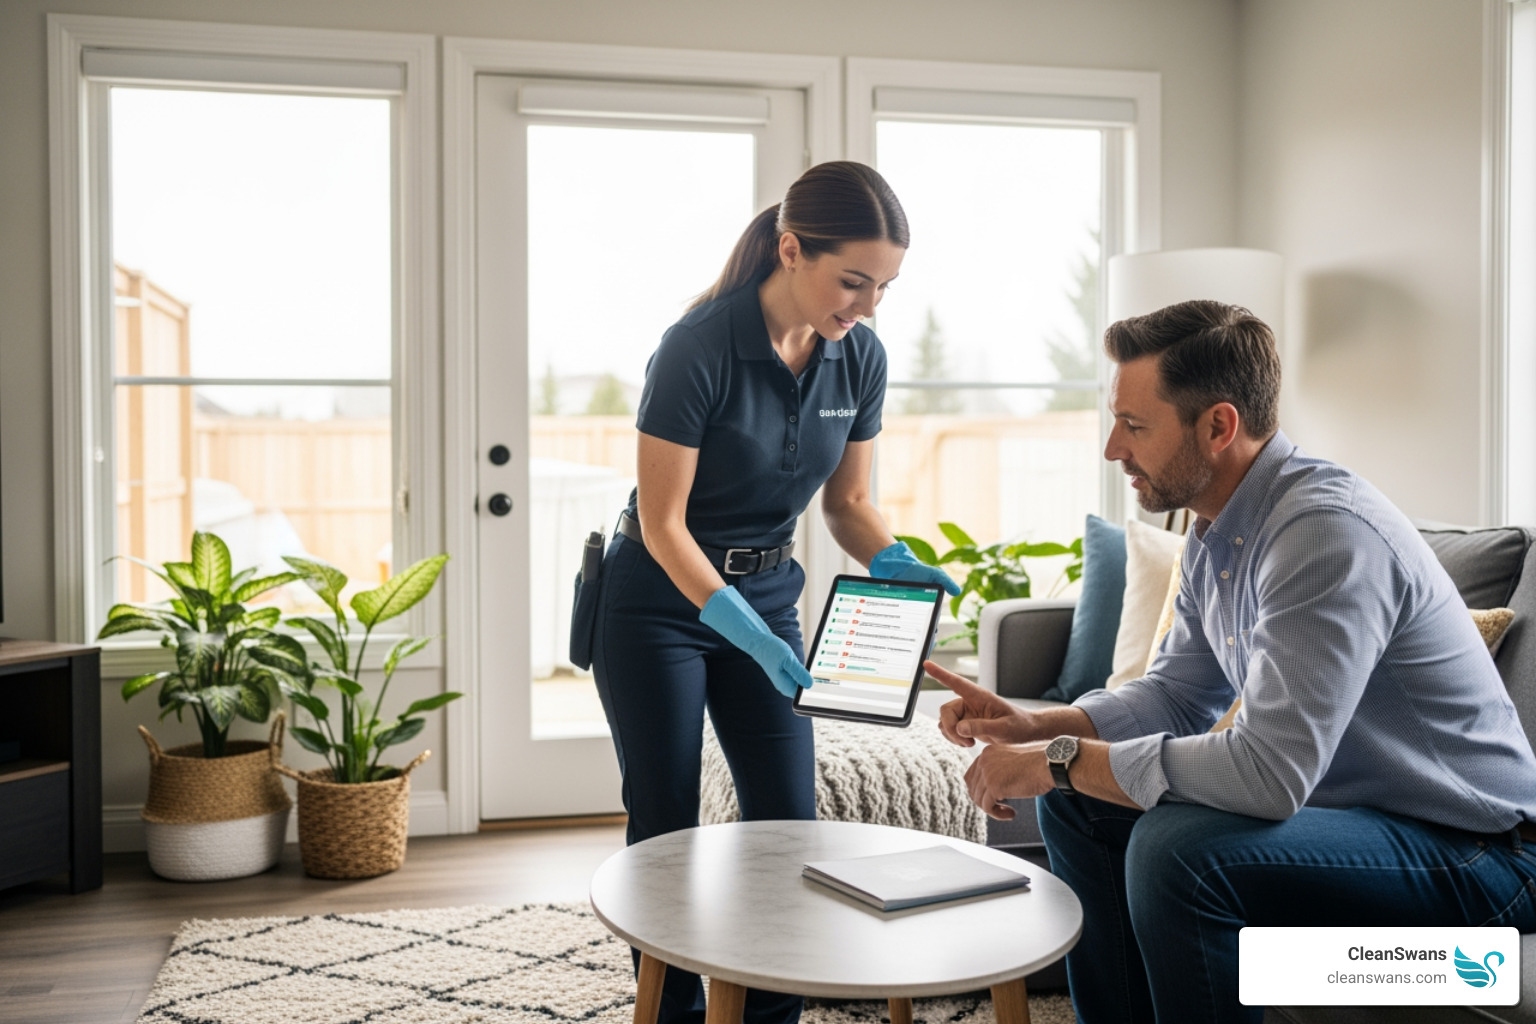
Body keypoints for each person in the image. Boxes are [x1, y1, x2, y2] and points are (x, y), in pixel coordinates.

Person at [926, 299, 1536, 1024]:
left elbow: (1269, 774)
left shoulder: (1322, 534)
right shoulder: (1217, 530)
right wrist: (1042, 727)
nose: (1113, 449)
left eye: (1135, 425)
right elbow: (1180, 694)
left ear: (1218, 426)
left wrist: (1063, 758)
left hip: (1479, 857)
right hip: (1363, 825)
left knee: (1177, 850)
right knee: (1080, 804)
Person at [589, 161, 959, 1024]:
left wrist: (893, 559)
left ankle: (769, 1014)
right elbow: (663, 523)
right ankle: (673, 1010)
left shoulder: (859, 356)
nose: (868, 305)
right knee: (665, 821)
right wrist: (743, 632)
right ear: (792, 251)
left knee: (790, 822)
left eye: (885, 287)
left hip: (766, 595)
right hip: (656, 604)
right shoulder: (697, 346)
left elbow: (848, 504)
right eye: (853, 281)